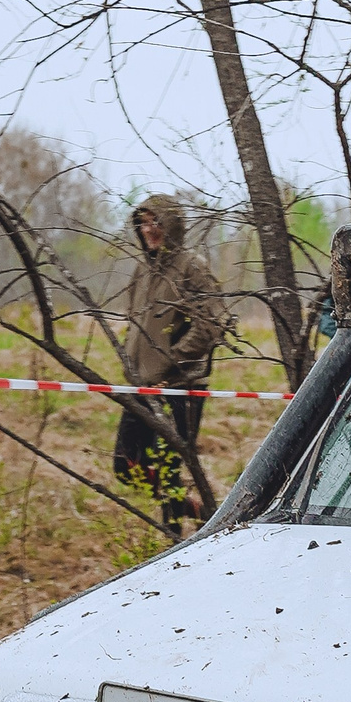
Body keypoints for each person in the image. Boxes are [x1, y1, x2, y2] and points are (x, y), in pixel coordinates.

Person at [114, 194, 229, 525]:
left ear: (173, 225)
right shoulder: (141, 269)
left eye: (156, 221)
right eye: (144, 222)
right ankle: (202, 512)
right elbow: (136, 323)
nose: (150, 229)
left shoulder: (192, 267)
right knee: (125, 464)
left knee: (167, 469)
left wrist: (173, 362)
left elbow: (213, 322)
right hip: (141, 385)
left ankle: (174, 538)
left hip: (180, 387)